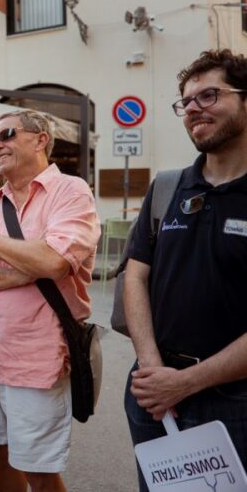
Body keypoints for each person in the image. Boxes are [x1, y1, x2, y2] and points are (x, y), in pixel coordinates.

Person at [0, 109, 100, 492]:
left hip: (37, 356)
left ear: (40, 139)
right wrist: (20, 271)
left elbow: (53, 262)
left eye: (7, 134)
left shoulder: (71, 191)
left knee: (38, 469)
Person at [124, 50, 247, 490]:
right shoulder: (168, 187)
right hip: (153, 393)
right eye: (186, 101)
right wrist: (154, 371)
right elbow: (136, 275)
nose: (193, 107)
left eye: (209, 95)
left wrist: (186, 382)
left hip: (235, 400)